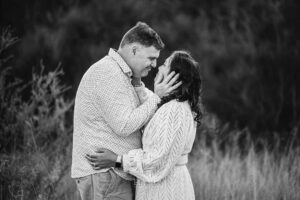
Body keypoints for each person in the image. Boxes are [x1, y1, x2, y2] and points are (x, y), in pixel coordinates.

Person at [71, 21, 182, 200]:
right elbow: (123, 125)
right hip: (104, 175)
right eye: (151, 58)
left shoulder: (123, 75)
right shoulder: (108, 73)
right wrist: (157, 97)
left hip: (112, 174)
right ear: (134, 50)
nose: (154, 65)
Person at [86, 50, 202, 200]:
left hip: (166, 190)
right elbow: (151, 105)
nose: (159, 67)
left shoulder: (174, 110)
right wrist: (140, 85)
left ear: (174, 77)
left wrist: (117, 160)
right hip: (162, 186)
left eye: (165, 65)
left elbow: (157, 161)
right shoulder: (173, 106)